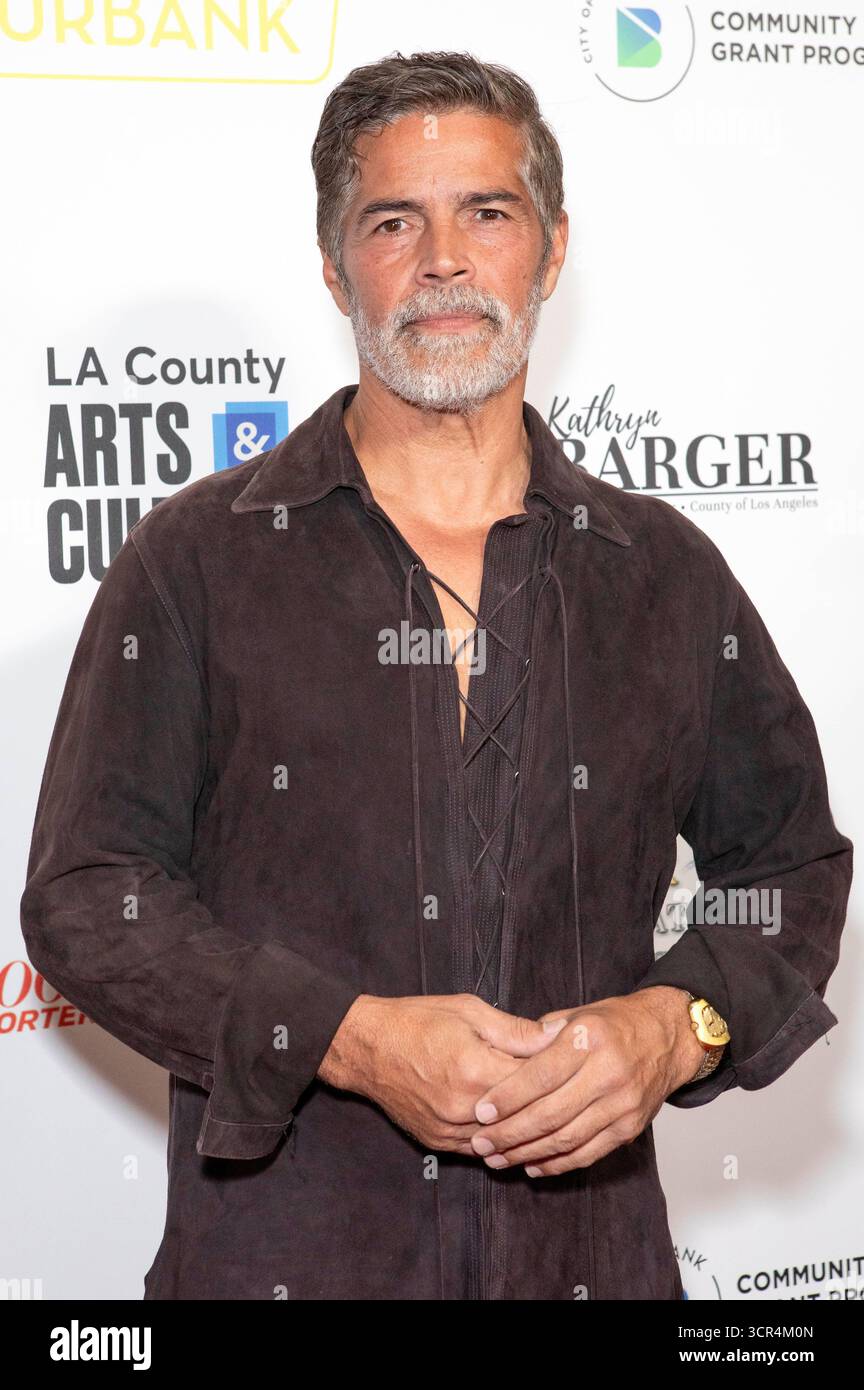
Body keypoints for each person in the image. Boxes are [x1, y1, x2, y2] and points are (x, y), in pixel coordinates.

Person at [20, 51, 852, 1301]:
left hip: (594, 1266)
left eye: (489, 212)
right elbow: (89, 896)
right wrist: (346, 1039)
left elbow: (787, 871)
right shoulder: (196, 561)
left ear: (553, 249)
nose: (445, 260)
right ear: (333, 261)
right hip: (283, 1265)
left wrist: (678, 1026)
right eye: (395, 220)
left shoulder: (664, 575)